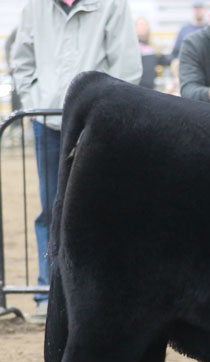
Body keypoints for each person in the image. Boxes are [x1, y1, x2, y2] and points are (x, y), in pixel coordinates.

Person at [11, 0, 142, 324]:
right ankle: (48, 296)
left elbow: (126, 66)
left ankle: (99, 294)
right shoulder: (34, 8)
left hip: (97, 123)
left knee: (100, 208)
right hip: (48, 122)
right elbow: (22, 61)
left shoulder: (111, 5)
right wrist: (36, 103)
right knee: (50, 209)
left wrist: (107, 112)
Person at [136, 16, 172, 90]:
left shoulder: (154, 48)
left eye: (144, 24)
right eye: (139, 25)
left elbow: (165, 61)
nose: (142, 27)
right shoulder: (131, 48)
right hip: (136, 86)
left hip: (150, 87)